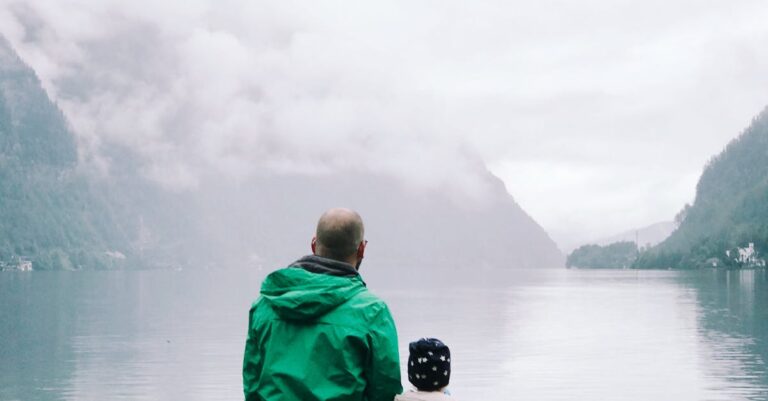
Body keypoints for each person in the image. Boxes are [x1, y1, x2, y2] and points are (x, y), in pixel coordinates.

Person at [243, 208, 403, 401]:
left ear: (313, 244)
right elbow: (386, 391)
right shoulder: (373, 312)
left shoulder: (265, 304)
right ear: (361, 249)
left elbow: (251, 384)